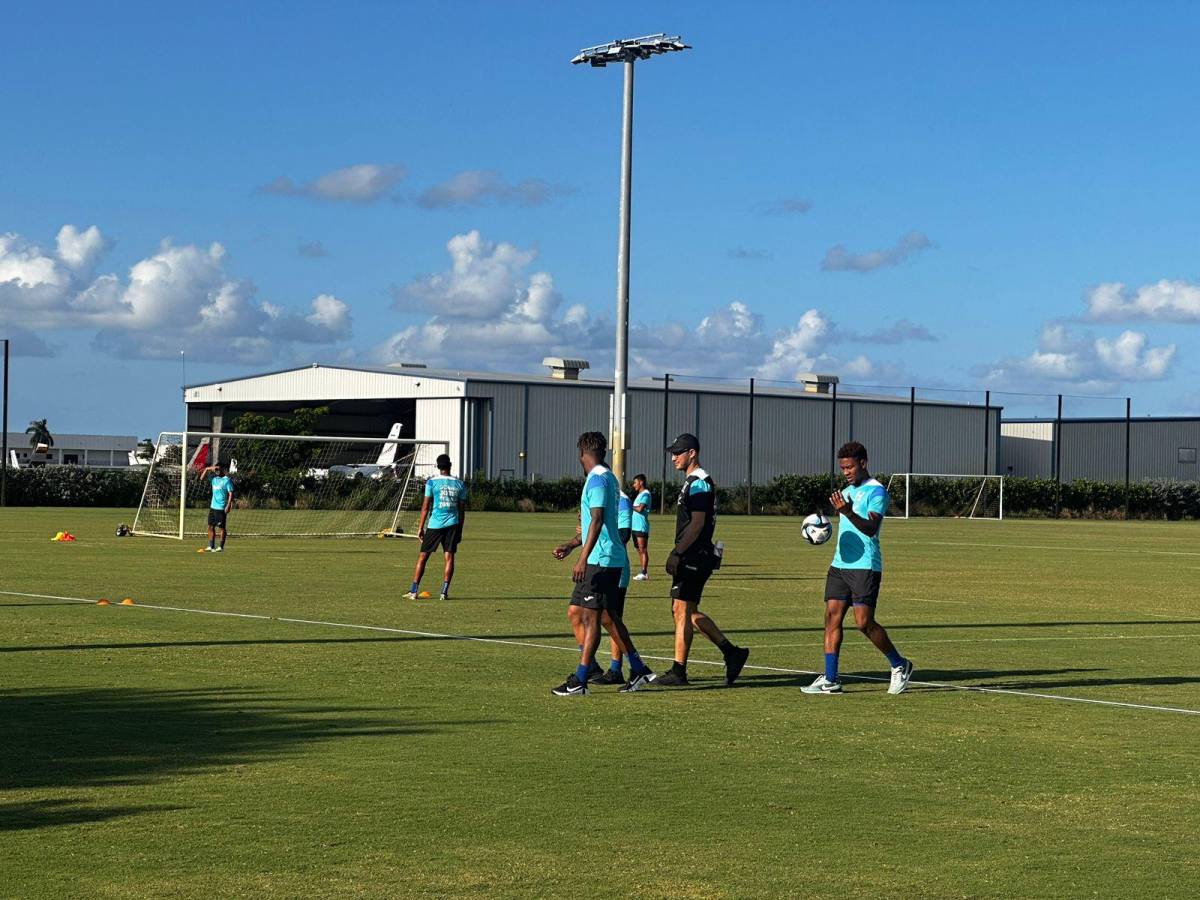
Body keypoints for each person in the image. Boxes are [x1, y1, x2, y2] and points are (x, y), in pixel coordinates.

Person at [801, 441, 914, 695]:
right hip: (840, 564)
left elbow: (871, 528)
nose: (846, 472)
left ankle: (899, 665)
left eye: (850, 467)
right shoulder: (846, 491)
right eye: (842, 468)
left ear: (863, 463)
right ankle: (831, 679)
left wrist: (848, 511)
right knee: (831, 618)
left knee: (864, 623)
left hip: (865, 566)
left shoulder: (877, 492)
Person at [551, 432, 654, 696]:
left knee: (592, 616)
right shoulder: (608, 478)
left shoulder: (597, 479)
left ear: (583, 452)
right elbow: (597, 523)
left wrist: (582, 559)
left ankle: (581, 679)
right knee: (598, 614)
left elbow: (597, 519)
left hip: (600, 559)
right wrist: (571, 544)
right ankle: (638, 668)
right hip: (608, 558)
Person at [655, 433, 750, 687]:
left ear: (692, 453)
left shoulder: (699, 482)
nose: (674, 457)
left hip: (695, 555)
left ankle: (679, 671)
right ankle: (732, 653)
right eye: (673, 453)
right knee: (684, 611)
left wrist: (677, 552)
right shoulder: (693, 481)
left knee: (682, 610)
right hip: (693, 554)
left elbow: (697, 523)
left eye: (679, 452)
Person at [404, 454, 467, 602]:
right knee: (449, 557)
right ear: (450, 466)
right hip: (453, 524)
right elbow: (462, 510)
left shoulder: (431, 483)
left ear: (438, 467)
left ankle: (413, 591)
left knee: (423, 557)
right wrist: (460, 529)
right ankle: (444, 592)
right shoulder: (460, 484)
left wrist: (420, 528)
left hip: (434, 525)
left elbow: (425, 507)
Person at [203, 463, 233, 552]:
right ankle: (211, 546)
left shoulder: (227, 480)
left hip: (221, 508)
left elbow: (231, 494)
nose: (217, 471)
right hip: (213, 507)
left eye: (218, 469)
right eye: (216, 469)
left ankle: (221, 547)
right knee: (210, 527)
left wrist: (228, 505)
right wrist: (207, 469)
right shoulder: (214, 479)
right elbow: (201, 478)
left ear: (223, 469)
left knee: (222, 528)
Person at [631, 474, 652, 580]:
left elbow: (640, 509)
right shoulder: (639, 495)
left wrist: (630, 505)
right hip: (635, 527)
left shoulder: (645, 494)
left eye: (635, 482)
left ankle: (644, 572)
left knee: (643, 549)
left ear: (641, 482)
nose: (634, 485)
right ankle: (644, 572)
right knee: (639, 549)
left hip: (641, 526)